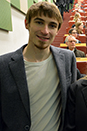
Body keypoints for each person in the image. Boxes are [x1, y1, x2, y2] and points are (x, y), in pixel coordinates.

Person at [0, 2, 77, 130]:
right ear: (27, 24)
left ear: (58, 30)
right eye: (39, 22)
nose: (45, 31)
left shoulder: (67, 59)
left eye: (52, 25)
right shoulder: (3, 65)